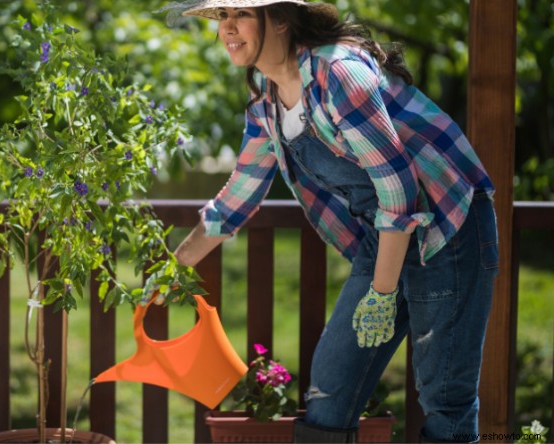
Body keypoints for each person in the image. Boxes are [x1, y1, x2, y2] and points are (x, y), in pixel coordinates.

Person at [149, 0, 499, 442]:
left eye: (240, 14)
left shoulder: (339, 72)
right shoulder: (266, 94)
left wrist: (382, 292)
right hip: (386, 235)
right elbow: (237, 198)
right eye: (221, 17)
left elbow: (398, 186)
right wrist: (173, 270)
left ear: (280, 18)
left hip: (448, 229)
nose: (228, 28)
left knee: (445, 396)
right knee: (330, 390)